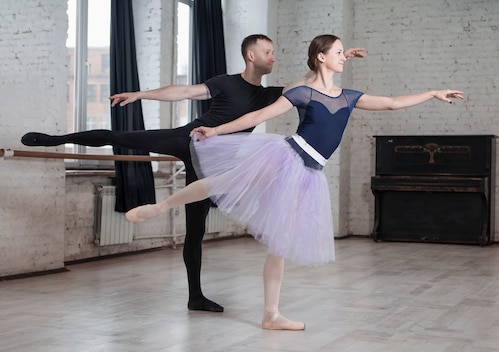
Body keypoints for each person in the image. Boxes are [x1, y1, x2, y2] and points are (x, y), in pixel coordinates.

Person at [124, 34, 464, 330]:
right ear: (321, 57)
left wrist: (432, 92)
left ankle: (271, 314)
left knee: (280, 243)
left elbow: (391, 104)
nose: (343, 57)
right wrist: (215, 129)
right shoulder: (302, 93)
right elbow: (257, 116)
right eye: (338, 52)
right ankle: (161, 206)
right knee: (223, 181)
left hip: (308, 174)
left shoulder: (348, 97)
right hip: (285, 157)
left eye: (344, 52)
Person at [20, 34, 366, 313]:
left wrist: (341, 57)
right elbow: (183, 92)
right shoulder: (225, 83)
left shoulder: (270, 94)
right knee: (121, 137)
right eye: (268, 51)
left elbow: (313, 79)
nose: (274, 56)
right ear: (251, 55)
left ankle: (195, 296)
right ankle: (57, 139)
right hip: (190, 138)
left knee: (195, 229)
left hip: (216, 161)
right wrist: (141, 94)